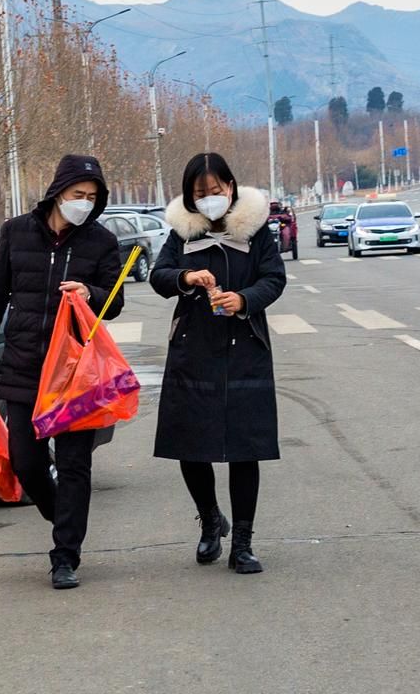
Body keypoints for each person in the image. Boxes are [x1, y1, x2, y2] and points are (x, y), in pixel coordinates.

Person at [0, 154, 124, 590]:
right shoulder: (16, 233)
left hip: (76, 374)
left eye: (92, 198)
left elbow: (117, 301)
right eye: (78, 195)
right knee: (27, 462)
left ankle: (65, 554)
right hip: (23, 366)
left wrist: (90, 292)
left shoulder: (102, 242)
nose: (84, 204)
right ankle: (62, 513)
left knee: (74, 466)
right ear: (58, 192)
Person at [151, 153, 287, 574]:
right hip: (193, 351)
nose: (209, 199)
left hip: (245, 348)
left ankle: (242, 543)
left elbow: (274, 278)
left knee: (246, 448)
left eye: (215, 190)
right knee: (192, 447)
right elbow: (160, 276)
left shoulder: (256, 229)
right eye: (199, 193)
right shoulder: (181, 233)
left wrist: (244, 299)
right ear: (189, 198)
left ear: (231, 186)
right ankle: (210, 519)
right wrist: (185, 278)